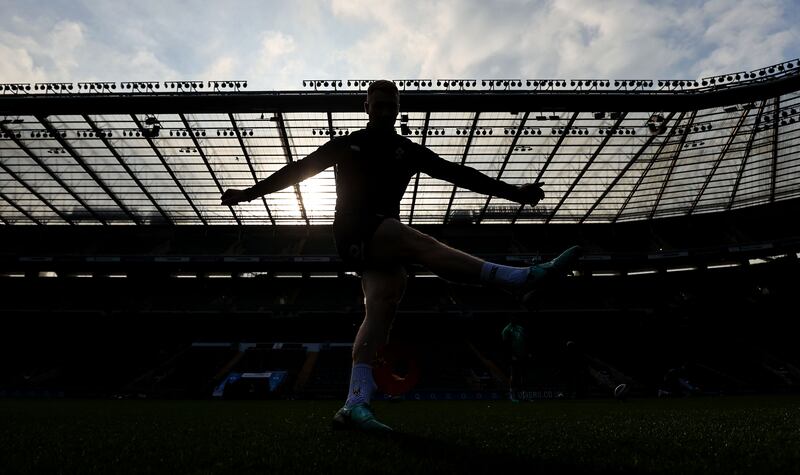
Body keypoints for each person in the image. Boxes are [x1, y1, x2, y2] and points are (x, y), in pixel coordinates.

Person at [221, 80, 581, 433]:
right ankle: (517, 279)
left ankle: (355, 403)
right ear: (366, 107)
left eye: (391, 104)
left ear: (398, 108)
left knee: (382, 307)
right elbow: (299, 170)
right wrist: (249, 193)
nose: (384, 110)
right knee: (418, 242)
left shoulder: (407, 150)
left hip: (382, 240)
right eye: (377, 104)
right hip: (353, 231)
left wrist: (514, 193)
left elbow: (459, 174)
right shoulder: (347, 145)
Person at [502, 315, 531, 402]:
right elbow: (505, 344)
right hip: (513, 356)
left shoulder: (520, 328)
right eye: (513, 318)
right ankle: (512, 396)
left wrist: (528, 352)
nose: (515, 319)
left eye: (516, 318)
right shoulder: (506, 330)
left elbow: (525, 340)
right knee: (514, 376)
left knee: (524, 376)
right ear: (510, 320)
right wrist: (511, 355)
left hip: (523, 355)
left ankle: (524, 396)